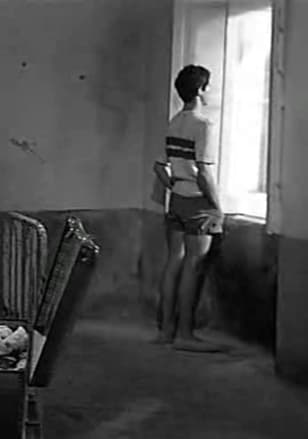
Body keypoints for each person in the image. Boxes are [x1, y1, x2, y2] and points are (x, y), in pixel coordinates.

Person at [152, 65, 224, 352]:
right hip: (197, 200)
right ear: (201, 90)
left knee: (173, 263)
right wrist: (217, 207)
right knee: (193, 266)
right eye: (208, 86)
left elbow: (159, 167)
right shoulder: (203, 125)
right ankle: (185, 334)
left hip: (177, 199)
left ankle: (166, 331)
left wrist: (174, 185)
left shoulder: (174, 122)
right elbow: (204, 172)